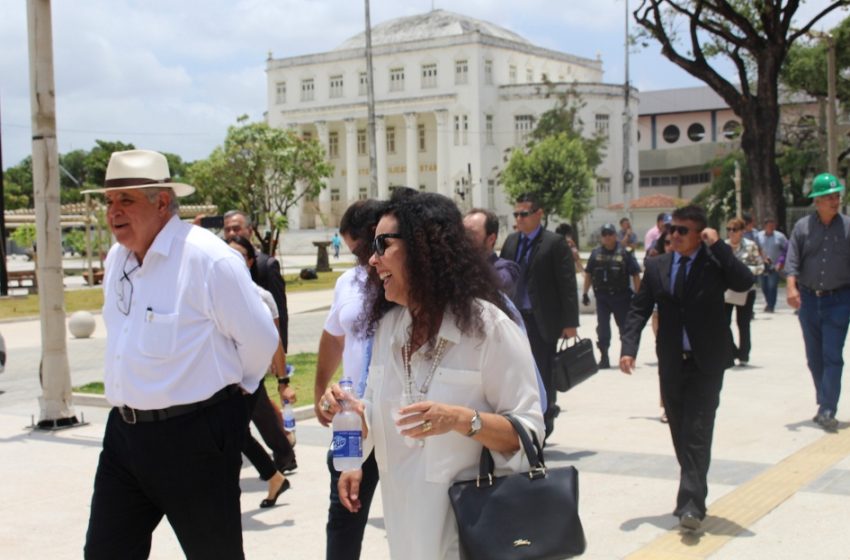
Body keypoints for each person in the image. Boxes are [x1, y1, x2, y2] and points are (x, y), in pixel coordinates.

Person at [326, 191, 543, 560]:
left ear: (424, 247)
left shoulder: (489, 329)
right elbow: (379, 416)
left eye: (382, 244)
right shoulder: (389, 330)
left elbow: (528, 436)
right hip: (405, 532)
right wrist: (353, 417)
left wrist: (461, 419)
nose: (372, 260)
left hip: (471, 537)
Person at [83, 149, 279, 558]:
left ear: (162, 203)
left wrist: (236, 395)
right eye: (109, 201)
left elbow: (260, 339)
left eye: (127, 200)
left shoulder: (208, 260)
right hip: (124, 437)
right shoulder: (117, 259)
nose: (113, 212)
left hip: (193, 439)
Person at [620, 204, 753, 532]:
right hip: (671, 362)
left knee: (697, 430)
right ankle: (693, 490)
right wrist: (628, 348)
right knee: (680, 429)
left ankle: (691, 504)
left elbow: (745, 281)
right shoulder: (656, 266)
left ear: (700, 234)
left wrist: (718, 245)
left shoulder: (714, 263)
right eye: (670, 229)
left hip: (707, 362)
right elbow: (639, 309)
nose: (674, 235)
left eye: (682, 230)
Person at [314, 199, 387, 560]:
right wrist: (319, 389)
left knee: (412, 519)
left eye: (359, 249)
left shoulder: (406, 283)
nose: (362, 260)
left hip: (396, 421)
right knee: (343, 517)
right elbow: (333, 336)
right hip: (349, 422)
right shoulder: (348, 282)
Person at [224, 210, 296, 473]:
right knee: (254, 409)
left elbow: (279, 317)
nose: (232, 232)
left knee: (251, 410)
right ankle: (281, 456)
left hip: (261, 354)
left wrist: (280, 367)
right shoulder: (220, 265)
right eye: (227, 229)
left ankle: (279, 459)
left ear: (249, 229)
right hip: (233, 359)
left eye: (236, 228)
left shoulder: (266, 266)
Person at [500, 193, 578, 438]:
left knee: (544, 371)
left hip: (542, 320)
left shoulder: (554, 243)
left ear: (538, 214)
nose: (519, 219)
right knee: (516, 370)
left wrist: (570, 323)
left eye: (524, 214)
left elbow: (567, 284)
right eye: (516, 214)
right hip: (514, 319)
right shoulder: (512, 242)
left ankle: (546, 417)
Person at [785, 172, 850, 433]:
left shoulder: (848, 227)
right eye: (828, 197)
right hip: (810, 300)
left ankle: (827, 409)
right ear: (816, 201)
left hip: (840, 300)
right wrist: (791, 288)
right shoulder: (802, 228)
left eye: (836, 196)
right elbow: (792, 261)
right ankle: (823, 401)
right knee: (814, 358)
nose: (834, 201)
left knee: (832, 355)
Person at [582, 223, 641, 369]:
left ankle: (626, 357)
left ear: (615, 235)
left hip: (621, 297)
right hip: (602, 297)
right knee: (602, 329)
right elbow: (589, 273)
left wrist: (639, 295)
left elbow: (635, 274)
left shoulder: (624, 252)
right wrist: (585, 293)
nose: (607, 237)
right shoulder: (595, 253)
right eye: (604, 234)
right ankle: (604, 357)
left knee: (624, 328)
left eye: (610, 234)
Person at [724, 218, 764, 365]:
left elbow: (760, 266)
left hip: (746, 290)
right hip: (727, 289)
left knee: (743, 323)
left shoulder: (751, 246)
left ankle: (744, 355)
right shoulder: (723, 246)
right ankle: (733, 351)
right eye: (728, 229)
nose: (731, 233)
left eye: (734, 230)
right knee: (723, 323)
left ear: (742, 232)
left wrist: (744, 271)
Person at [463, 208, 520, 299]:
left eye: (471, 234)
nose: (464, 238)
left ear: (491, 239)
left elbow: (497, 286)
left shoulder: (506, 268)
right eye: (462, 232)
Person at [755, 218, 788, 312]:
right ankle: (768, 302)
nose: (771, 228)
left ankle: (771, 306)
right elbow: (756, 248)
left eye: (773, 226)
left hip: (774, 265)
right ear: (765, 226)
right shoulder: (758, 236)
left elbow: (786, 249)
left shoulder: (780, 236)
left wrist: (781, 262)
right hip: (762, 265)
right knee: (763, 286)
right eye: (769, 226)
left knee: (772, 286)